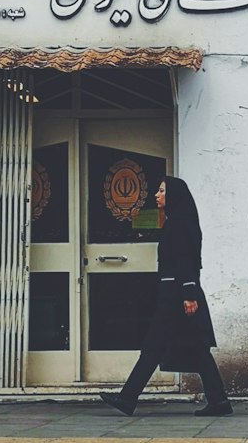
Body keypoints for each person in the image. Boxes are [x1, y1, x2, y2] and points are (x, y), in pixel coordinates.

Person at [99, 176, 232, 417]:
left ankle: (127, 398)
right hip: (177, 294)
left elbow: (185, 260)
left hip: (177, 297)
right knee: (195, 349)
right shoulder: (179, 221)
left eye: (162, 191)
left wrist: (189, 294)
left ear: (174, 196)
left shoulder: (179, 223)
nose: (156, 195)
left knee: (155, 347)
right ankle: (219, 401)